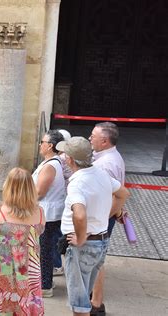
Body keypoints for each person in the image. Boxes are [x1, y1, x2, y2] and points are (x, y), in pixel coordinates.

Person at [55, 137, 129, 316]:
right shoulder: (100, 173)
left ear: (71, 159)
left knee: (79, 307)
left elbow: (79, 214)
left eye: (65, 153)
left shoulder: (77, 183)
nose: (63, 156)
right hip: (100, 241)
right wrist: (108, 214)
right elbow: (124, 193)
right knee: (84, 301)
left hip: (84, 247)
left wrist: (80, 239)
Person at [0, 167, 45, 315]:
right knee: (26, 304)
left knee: (0, 305)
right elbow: (39, 232)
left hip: (2, 270)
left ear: (7, 186)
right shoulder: (40, 212)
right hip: (30, 272)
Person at [89, 122, 126, 316]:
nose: (89, 138)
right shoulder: (108, 157)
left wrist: (103, 219)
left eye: (93, 136)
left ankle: (96, 303)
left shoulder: (106, 164)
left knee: (95, 259)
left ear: (104, 141)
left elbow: (115, 195)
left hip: (99, 220)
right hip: (102, 217)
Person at [32, 130, 66, 297]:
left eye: (42, 142)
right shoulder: (51, 162)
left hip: (48, 214)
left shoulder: (51, 165)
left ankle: (45, 286)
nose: (40, 144)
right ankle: (45, 281)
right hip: (47, 212)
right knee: (44, 249)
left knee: (44, 251)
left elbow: (39, 192)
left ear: (50, 145)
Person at [53, 128, 72, 277]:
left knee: (56, 234)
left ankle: (57, 265)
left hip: (62, 200)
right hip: (64, 199)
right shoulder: (66, 157)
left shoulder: (62, 158)